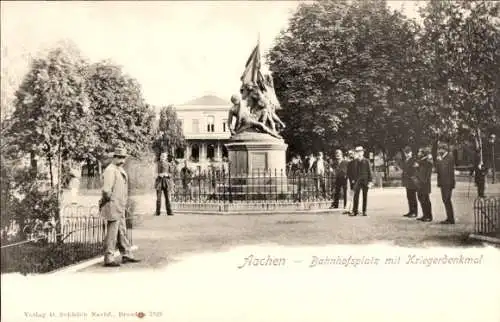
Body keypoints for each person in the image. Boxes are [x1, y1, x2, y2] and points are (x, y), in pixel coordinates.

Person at [99, 147, 140, 267]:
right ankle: (109, 258)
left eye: (124, 157)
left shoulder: (119, 169)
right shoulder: (110, 170)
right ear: (114, 157)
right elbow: (106, 190)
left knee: (122, 230)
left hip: (120, 205)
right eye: (119, 157)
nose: (122, 160)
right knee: (112, 232)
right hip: (112, 204)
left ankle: (126, 254)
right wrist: (107, 202)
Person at [436, 143, 456, 224]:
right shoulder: (444, 157)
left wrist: (440, 161)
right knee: (445, 200)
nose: (439, 151)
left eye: (440, 149)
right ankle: (449, 218)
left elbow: (444, 169)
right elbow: (439, 170)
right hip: (444, 182)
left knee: (447, 200)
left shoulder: (449, 157)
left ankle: (451, 219)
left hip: (448, 183)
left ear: (444, 149)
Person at [350, 146, 373, 217]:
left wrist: (370, 181)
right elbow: (352, 172)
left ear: (363, 152)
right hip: (357, 181)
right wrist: (353, 180)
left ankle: (364, 211)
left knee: (365, 196)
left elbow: (370, 172)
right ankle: (355, 211)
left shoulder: (366, 161)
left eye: (360, 152)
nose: (359, 153)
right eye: (357, 152)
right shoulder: (354, 161)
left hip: (365, 181)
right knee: (356, 196)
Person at [413, 147, 433, 222]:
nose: (418, 153)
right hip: (420, 183)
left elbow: (427, 174)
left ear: (423, 154)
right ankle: (425, 215)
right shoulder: (420, 161)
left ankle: (428, 216)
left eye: (420, 152)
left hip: (424, 184)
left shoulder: (427, 162)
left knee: (426, 200)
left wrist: (418, 166)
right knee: (421, 199)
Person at [401, 146, 419, 218]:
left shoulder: (413, 160)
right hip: (407, 181)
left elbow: (415, 171)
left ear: (411, 152)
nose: (407, 154)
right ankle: (411, 211)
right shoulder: (406, 160)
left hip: (412, 181)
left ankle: (415, 212)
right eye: (406, 152)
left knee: (413, 197)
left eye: (408, 152)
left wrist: (413, 178)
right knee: (409, 197)